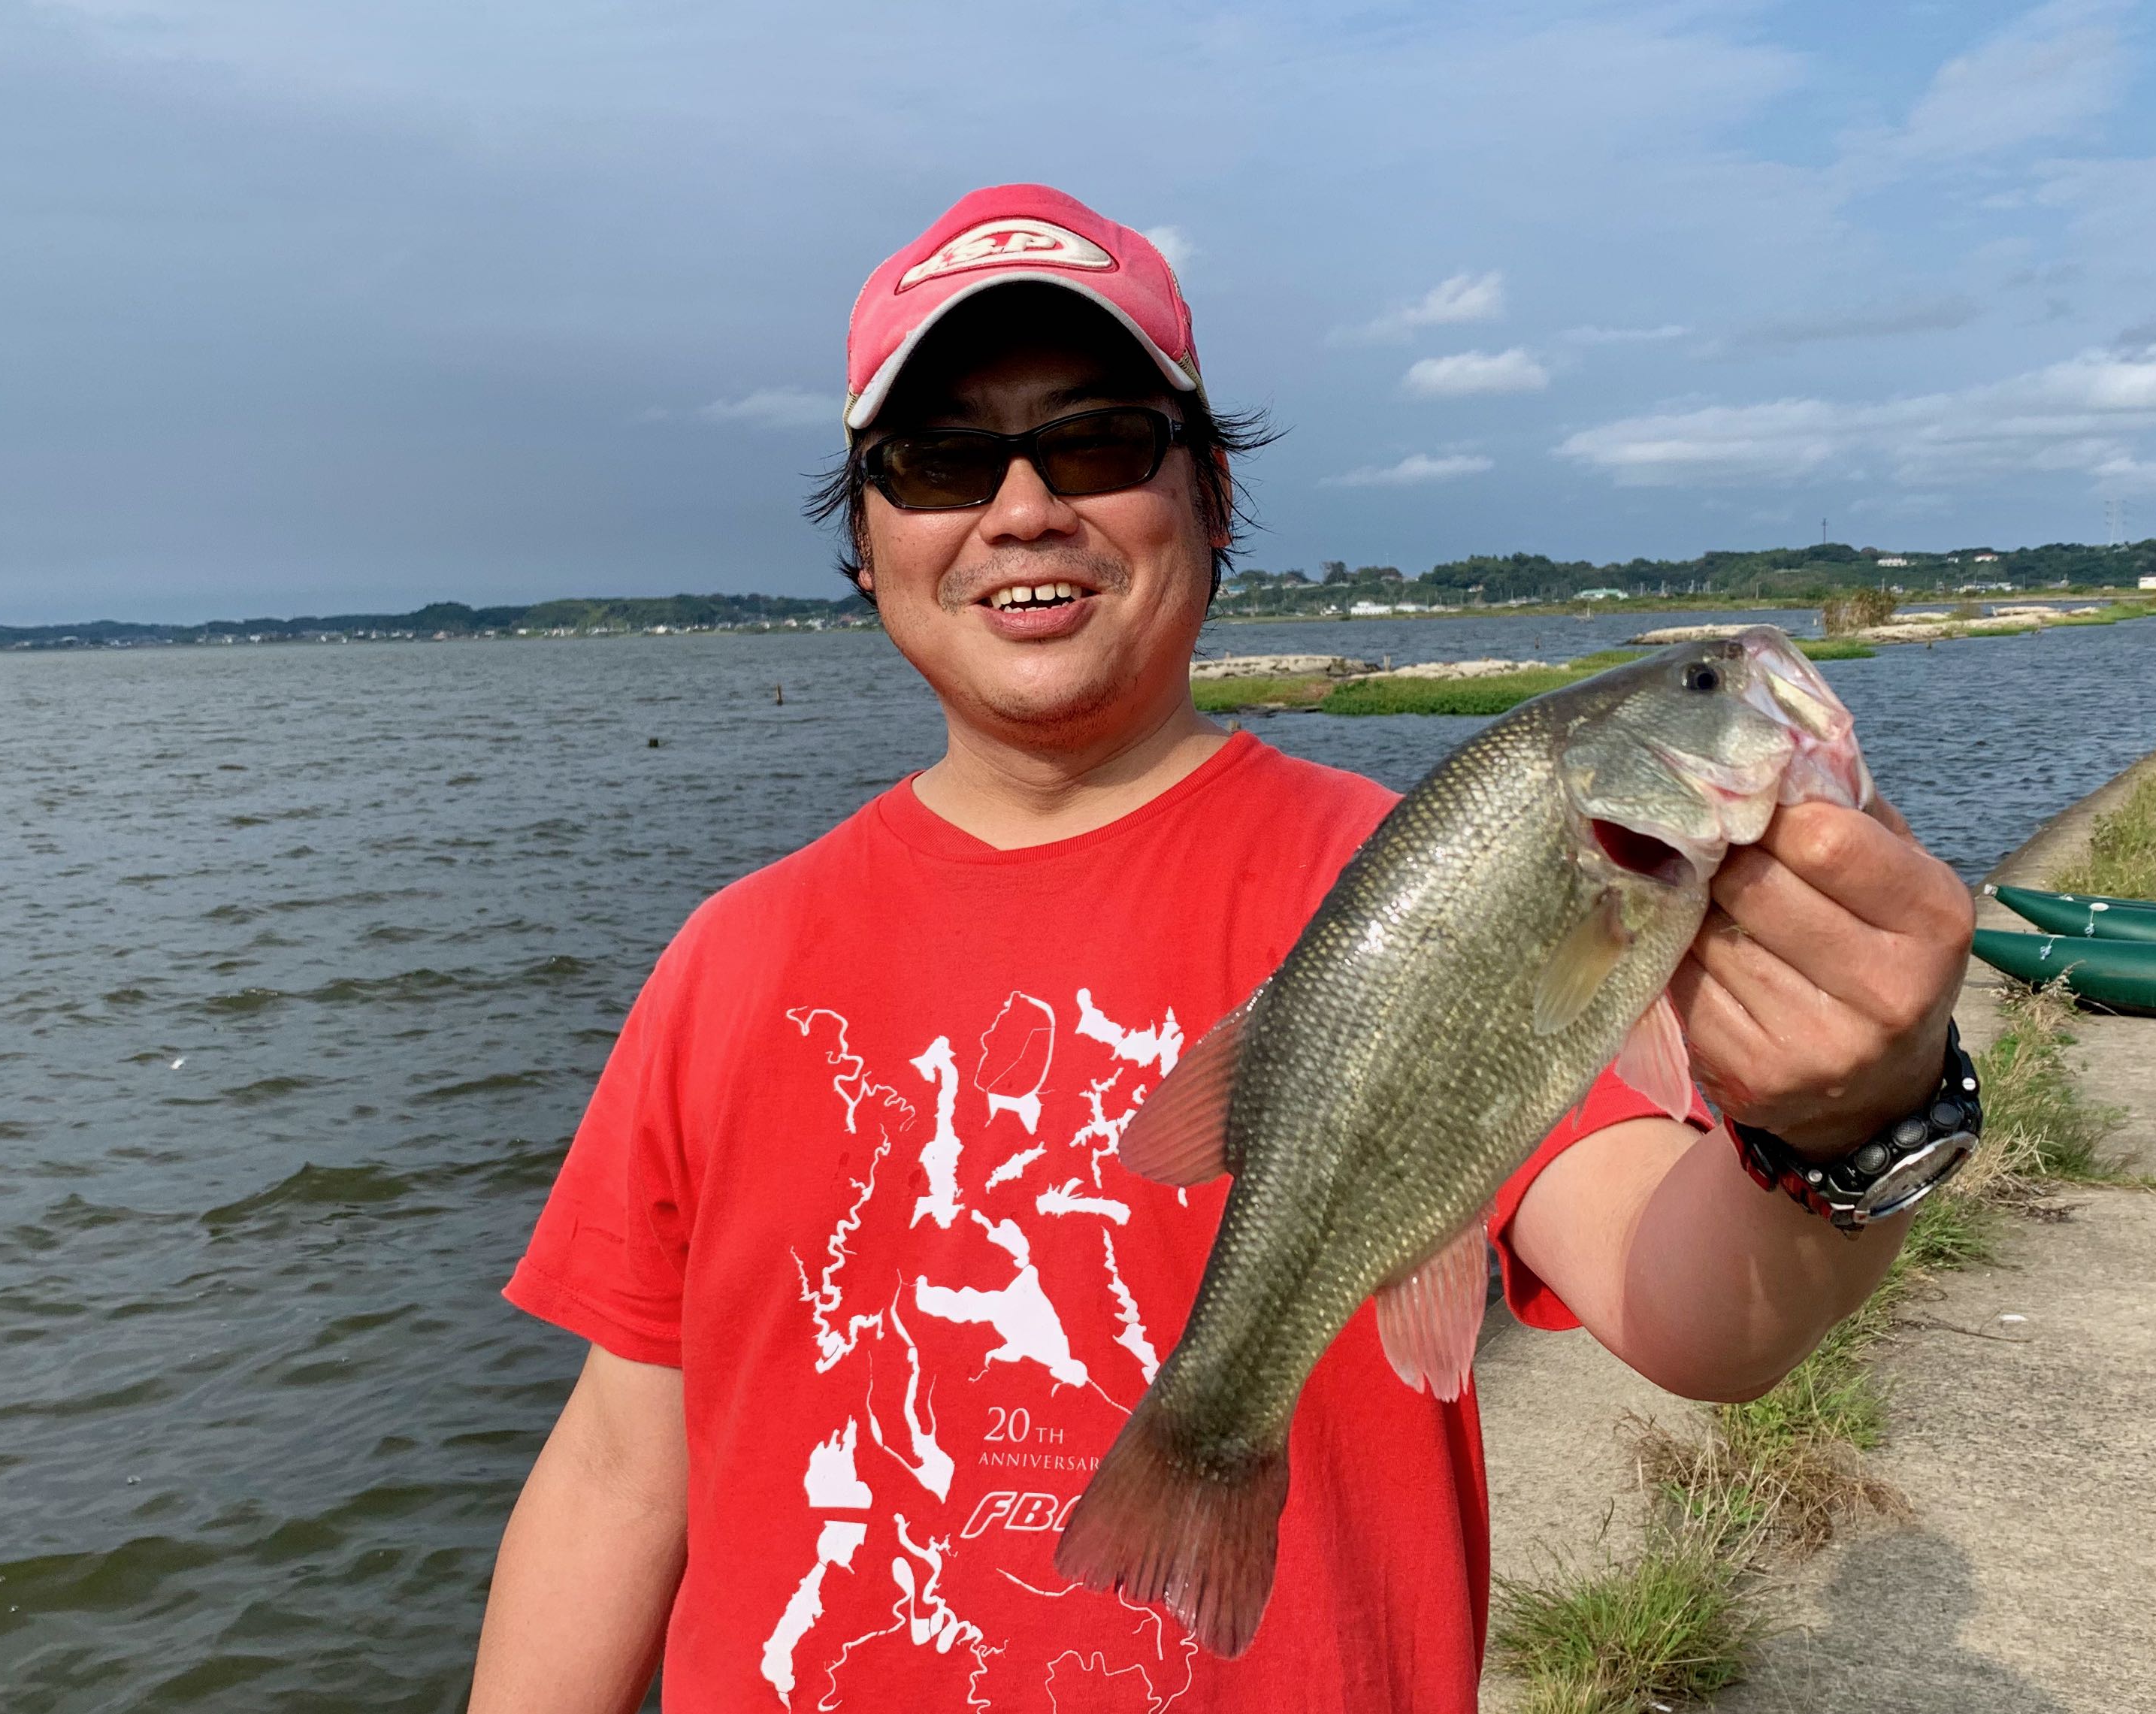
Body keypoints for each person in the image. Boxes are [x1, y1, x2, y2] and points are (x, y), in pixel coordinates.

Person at [467, 185, 1975, 1713]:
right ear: (865, 539)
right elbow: (617, 1468)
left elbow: (1699, 1314)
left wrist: (1855, 1113)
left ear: (1213, 499)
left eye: (1099, 442)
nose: (1022, 508)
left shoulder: (1406, 880)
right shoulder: (726, 957)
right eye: (937, 461)